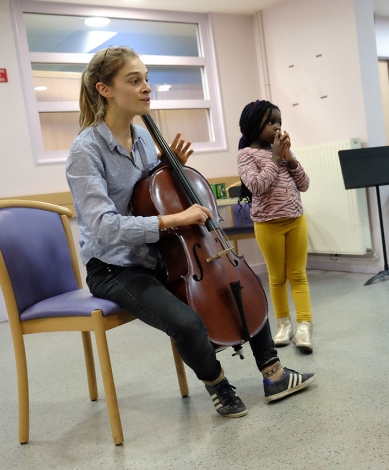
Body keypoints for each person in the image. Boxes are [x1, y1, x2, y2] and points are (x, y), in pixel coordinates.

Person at [66, 46, 314, 419]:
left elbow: (147, 195)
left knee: (238, 281)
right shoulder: (85, 151)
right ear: (105, 90)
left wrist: (169, 170)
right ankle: (218, 384)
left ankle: (274, 374)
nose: (146, 87)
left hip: (161, 254)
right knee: (187, 323)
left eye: (146, 79)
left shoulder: (144, 138)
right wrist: (174, 220)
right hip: (115, 266)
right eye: (134, 81)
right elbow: (104, 226)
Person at [236, 100, 315, 353]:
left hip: (295, 220)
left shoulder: (282, 153)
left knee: (298, 274)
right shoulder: (246, 154)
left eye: (279, 122)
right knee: (277, 277)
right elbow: (257, 186)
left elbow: (304, 184)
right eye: (270, 122)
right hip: (268, 225)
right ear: (253, 125)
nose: (277, 127)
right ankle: (284, 324)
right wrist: (275, 158)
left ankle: (304, 325)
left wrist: (289, 158)